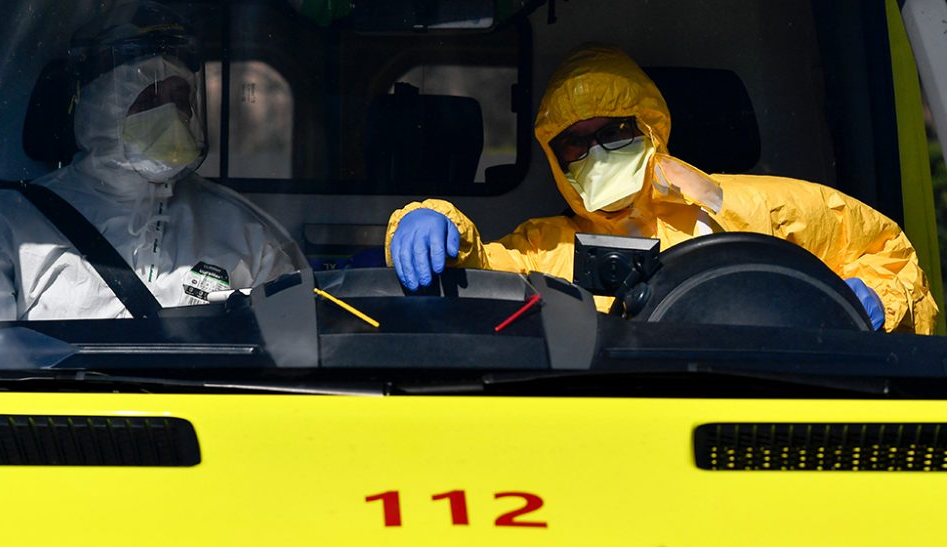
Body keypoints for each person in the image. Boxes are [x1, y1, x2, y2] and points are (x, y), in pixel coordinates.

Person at [384, 44, 938, 334]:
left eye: (614, 131)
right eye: (574, 144)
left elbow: (887, 253)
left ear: (650, 129)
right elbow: (481, 271)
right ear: (555, 158)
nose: (595, 152)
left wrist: (879, 301)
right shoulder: (551, 248)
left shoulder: (761, 204)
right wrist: (432, 219)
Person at [0, 0, 301, 321]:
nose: (172, 117)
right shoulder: (1, 227)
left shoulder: (245, 232)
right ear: (100, 112)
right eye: (150, 100)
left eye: (180, 99)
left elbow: (286, 346)